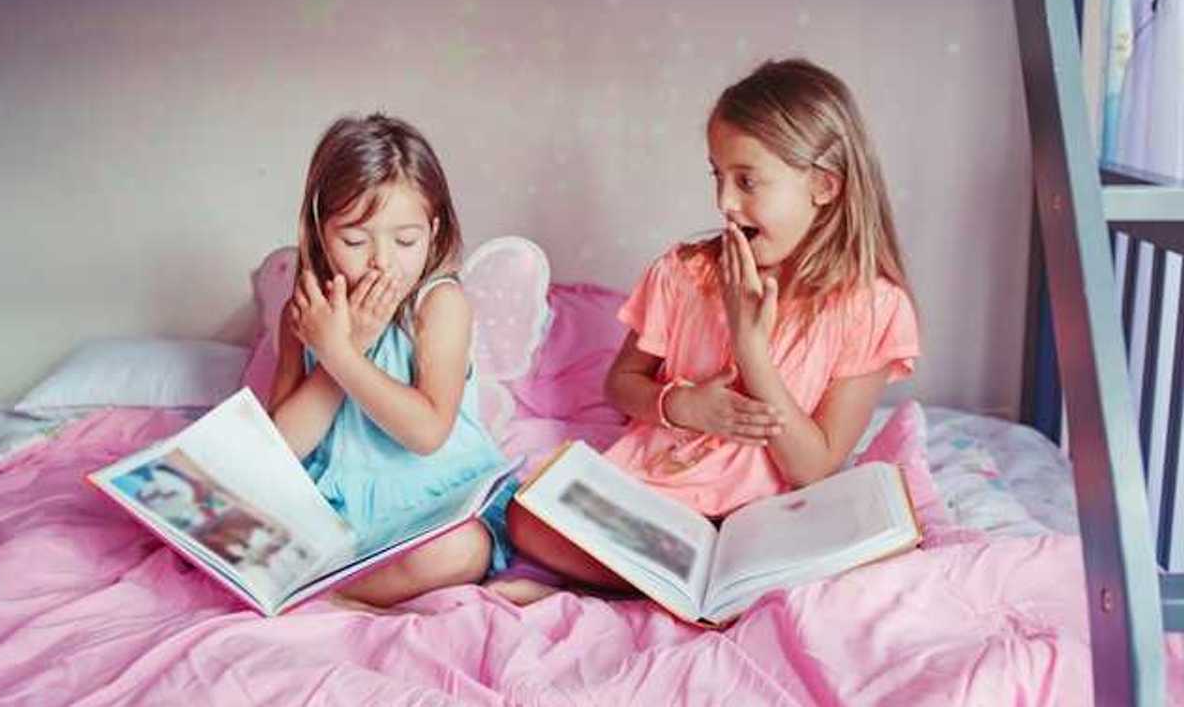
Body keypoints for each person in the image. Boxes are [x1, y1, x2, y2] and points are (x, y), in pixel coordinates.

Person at [502, 59, 921, 599]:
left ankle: (658, 586)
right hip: (658, 501)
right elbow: (621, 383)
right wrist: (681, 405)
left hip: (768, 522)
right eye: (717, 177)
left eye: (747, 181)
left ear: (823, 186)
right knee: (527, 518)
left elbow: (813, 468)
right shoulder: (685, 274)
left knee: (872, 557)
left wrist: (752, 351)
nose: (724, 202)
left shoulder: (871, 308)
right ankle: (667, 585)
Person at [269, 112, 518, 609]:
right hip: (338, 513)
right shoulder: (304, 314)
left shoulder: (440, 305)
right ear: (320, 233)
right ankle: (341, 582)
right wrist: (343, 343)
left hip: (433, 505)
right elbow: (279, 450)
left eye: (405, 241)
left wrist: (343, 354)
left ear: (434, 228)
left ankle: (332, 594)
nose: (383, 261)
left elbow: (427, 432)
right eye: (356, 241)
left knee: (462, 551)